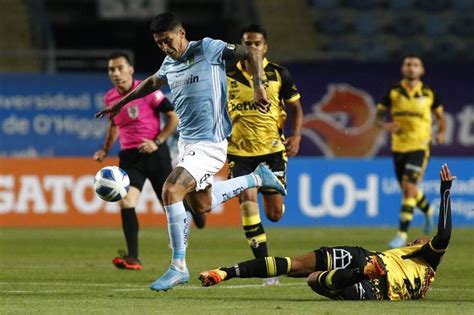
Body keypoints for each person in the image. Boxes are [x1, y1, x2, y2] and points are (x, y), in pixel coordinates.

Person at [95, 12, 286, 291]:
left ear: (182, 33)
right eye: (159, 43)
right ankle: (257, 178)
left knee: (171, 190)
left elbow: (252, 55)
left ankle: (178, 267)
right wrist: (121, 103)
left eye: (168, 40)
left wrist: (258, 87)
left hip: (211, 141)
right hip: (187, 143)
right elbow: (151, 83)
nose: (164, 47)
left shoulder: (208, 48)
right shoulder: (169, 62)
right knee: (201, 205)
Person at [199, 164, 455, 301]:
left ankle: (360, 274)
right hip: (371, 272)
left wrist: (445, 191)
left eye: (421, 239)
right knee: (305, 272)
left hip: (373, 275)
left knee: (305, 273)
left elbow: (442, 236)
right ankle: (225, 272)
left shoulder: (428, 259)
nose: (417, 240)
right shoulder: (416, 278)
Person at [225, 24, 303, 286]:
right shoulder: (227, 74)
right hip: (239, 152)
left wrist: (296, 135)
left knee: (274, 215)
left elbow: (296, 108)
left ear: (265, 46)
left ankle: (276, 199)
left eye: (257, 43)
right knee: (248, 203)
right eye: (248, 42)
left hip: (272, 152)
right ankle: (267, 269)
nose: (252, 47)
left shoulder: (279, 74)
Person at [94, 52, 179, 270]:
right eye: (112, 69)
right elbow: (114, 125)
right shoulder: (110, 98)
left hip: (155, 154)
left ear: (130, 69)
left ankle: (194, 211)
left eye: (120, 67)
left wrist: (157, 141)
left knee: (170, 205)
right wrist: (105, 150)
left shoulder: (148, 90)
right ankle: (133, 257)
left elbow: (173, 117)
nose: (116, 73)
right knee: (126, 201)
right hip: (130, 158)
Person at [376, 55, 446, 248]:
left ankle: (401, 233)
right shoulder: (393, 92)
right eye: (408, 64)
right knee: (410, 189)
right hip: (398, 146)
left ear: (421, 70)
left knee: (408, 187)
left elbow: (441, 118)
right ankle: (428, 209)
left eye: (415, 65)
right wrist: (386, 125)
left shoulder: (429, 93)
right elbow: (378, 117)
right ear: (403, 68)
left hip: (420, 146)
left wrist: (441, 132)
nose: (412, 68)